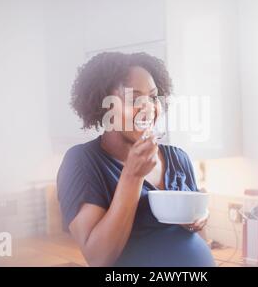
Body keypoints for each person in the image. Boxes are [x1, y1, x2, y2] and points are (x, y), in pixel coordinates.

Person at [57, 52, 215, 266]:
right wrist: (132, 175)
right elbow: (98, 257)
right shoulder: (83, 162)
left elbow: (201, 239)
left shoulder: (178, 158)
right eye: (134, 98)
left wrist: (200, 218)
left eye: (152, 97)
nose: (148, 108)